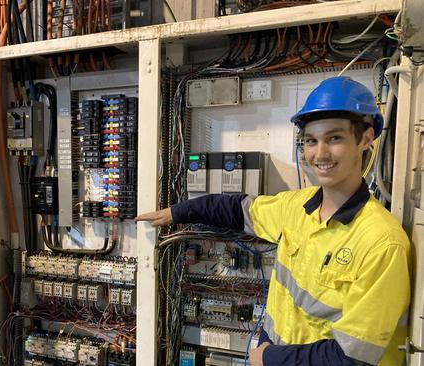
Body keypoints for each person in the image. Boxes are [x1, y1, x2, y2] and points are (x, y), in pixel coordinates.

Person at [137, 77, 410, 366]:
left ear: (366, 138)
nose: (321, 154)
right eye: (311, 141)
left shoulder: (383, 243)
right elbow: (235, 209)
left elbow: (353, 359)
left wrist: (268, 358)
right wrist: (176, 213)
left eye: (335, 138)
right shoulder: (296, 207)